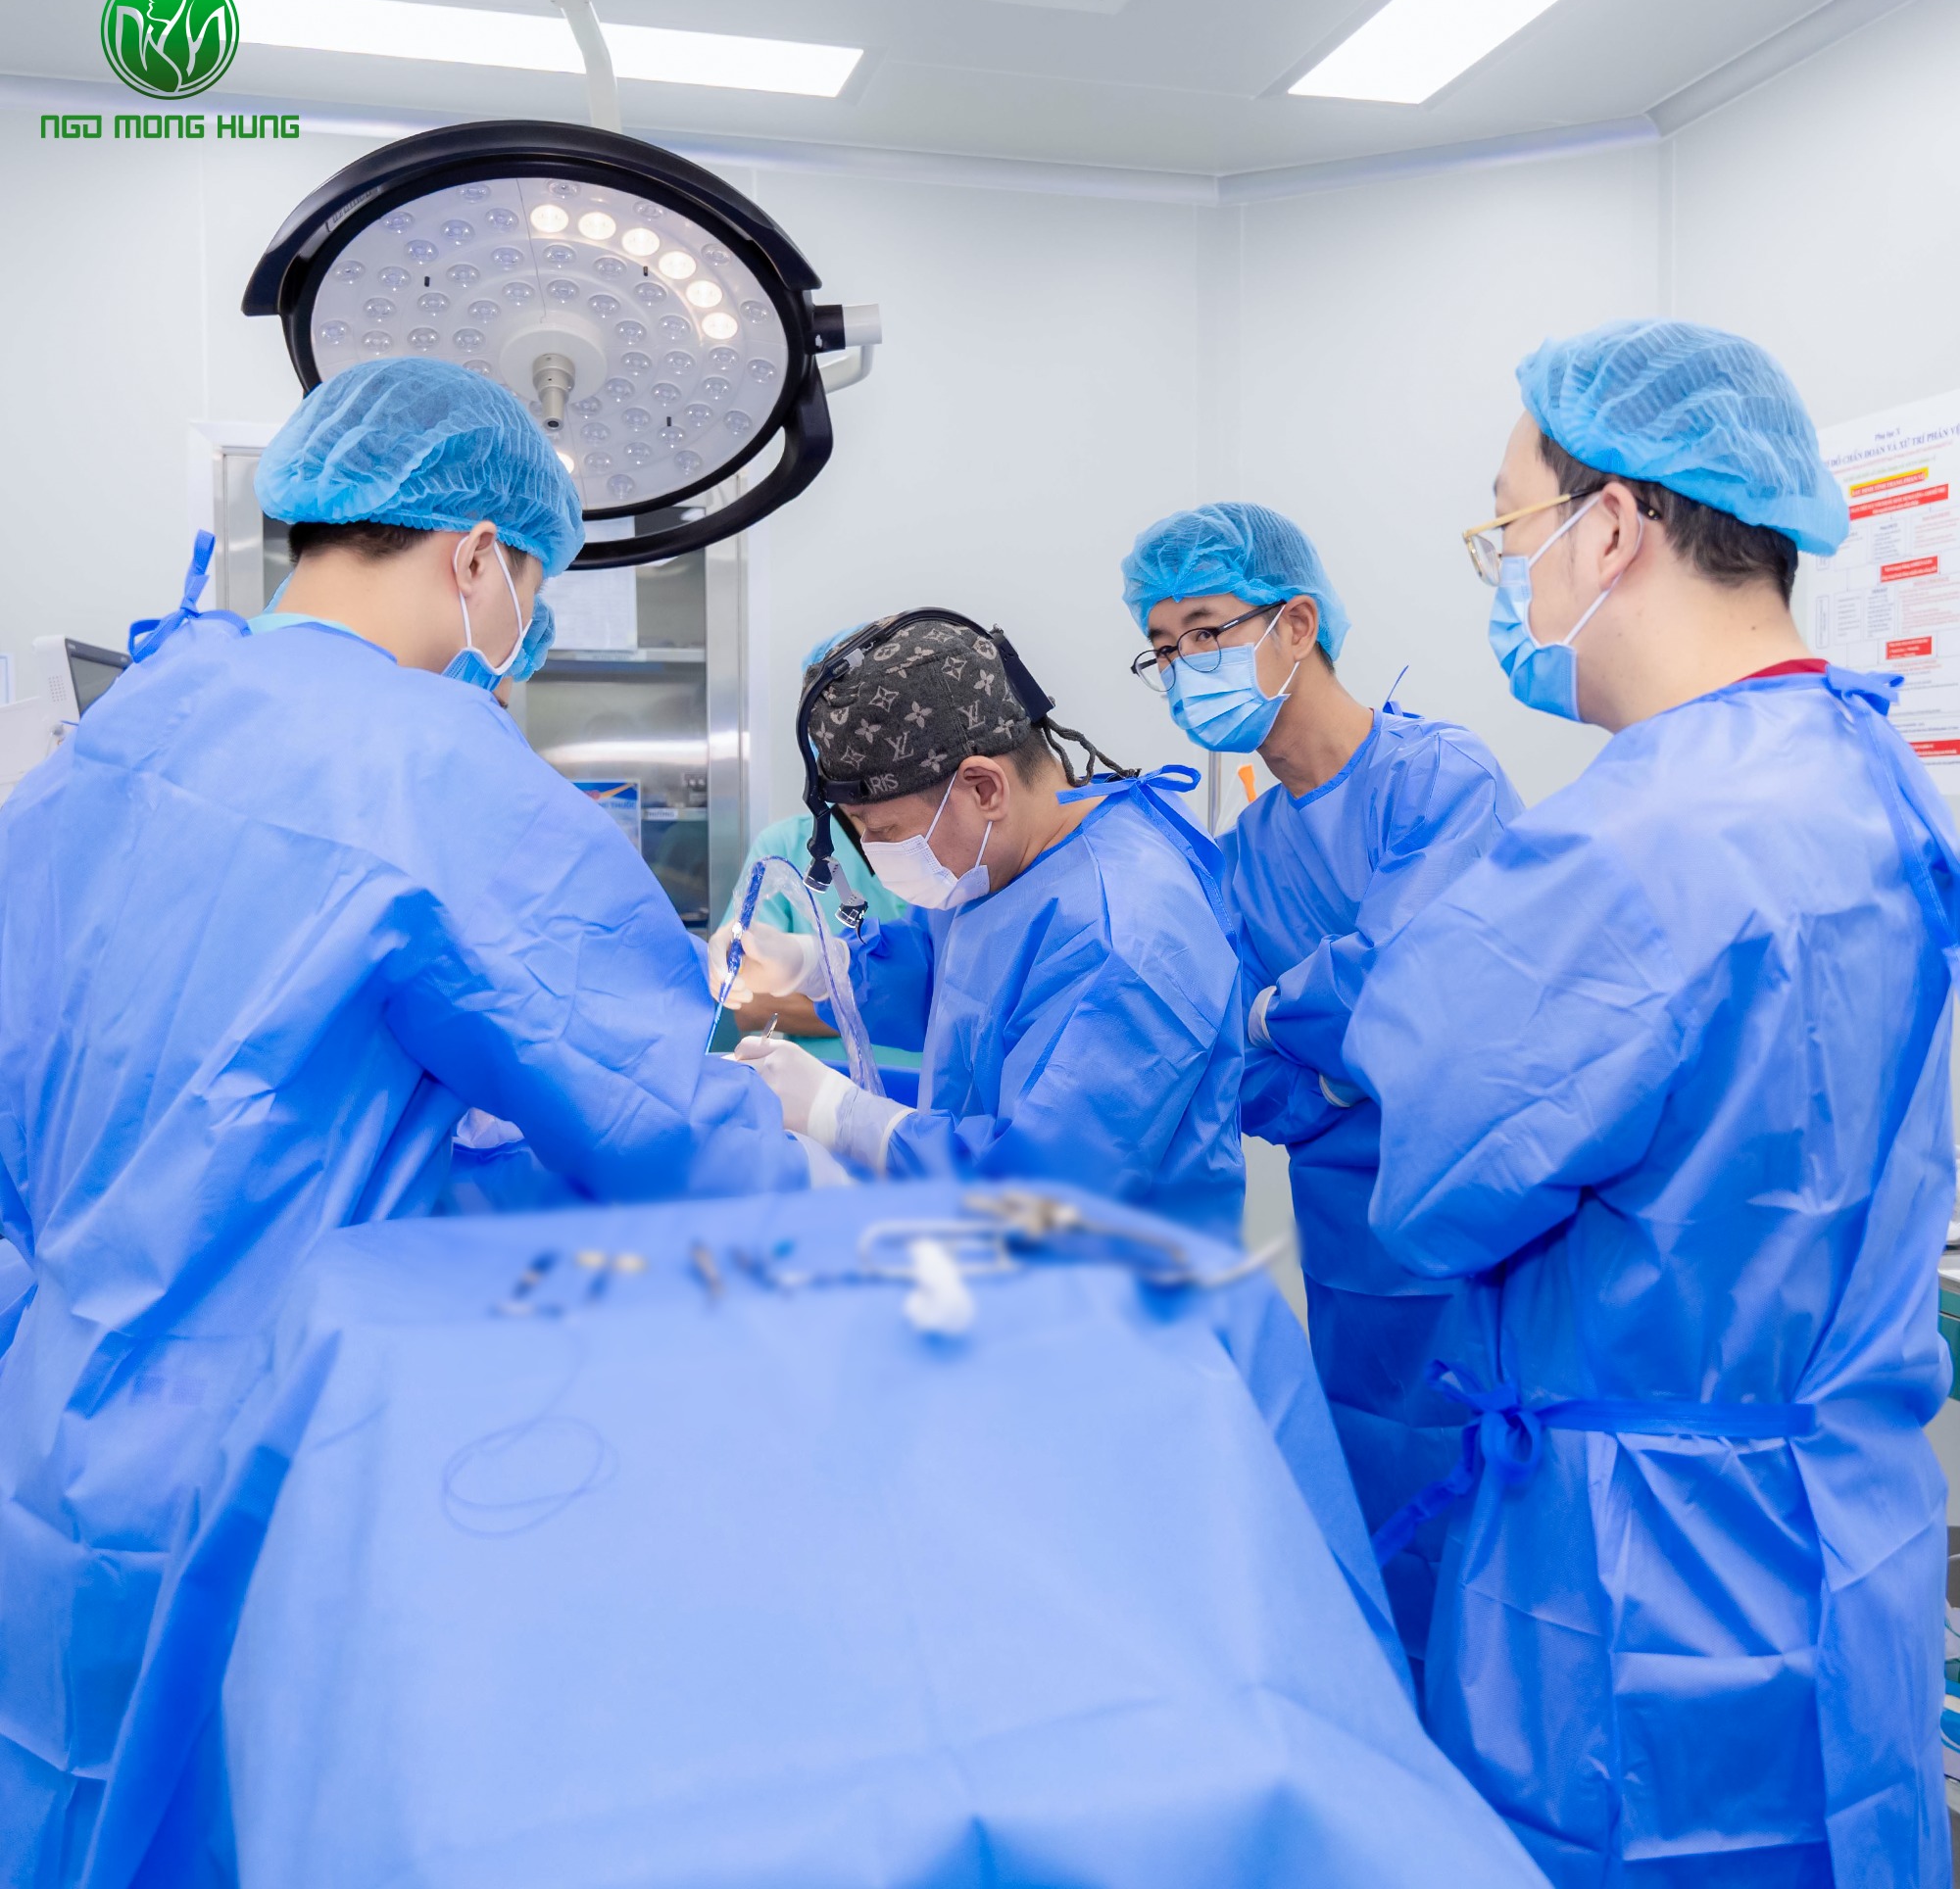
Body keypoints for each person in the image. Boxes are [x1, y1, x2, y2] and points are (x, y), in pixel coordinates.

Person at [0, 356, 805, 1871]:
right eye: (533, 591)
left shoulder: (117, 736)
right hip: (273, 1463)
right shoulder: (431, 764)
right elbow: (662, 1123)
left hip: (48, 1449)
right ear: (478, 555)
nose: (522, 635)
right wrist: (836, 1216)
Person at [1347, 319, 1954, 1886]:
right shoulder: (1878, 777)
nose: (1508, 573)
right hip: (1849, 1541)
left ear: (1611, 525)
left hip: (1644, 1599)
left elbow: (1435, 1189)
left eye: (1509, 528)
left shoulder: (1636, 838)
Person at [1120, 502, 1520, 1679]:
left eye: (1206, 631)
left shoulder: (1439, 781)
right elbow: (1234, 1067)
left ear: (1295, 623)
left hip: (1476, 1241)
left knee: (1491, 1550)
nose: (1183, 668)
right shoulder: (1244, 850)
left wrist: (1293, 1022)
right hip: (1349, 1256)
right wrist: (1336, 1069)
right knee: (1376, 1533)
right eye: (1162, 647)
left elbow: (1405, 989)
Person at [710, 613, 1248, 1234]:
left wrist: (848, 1118)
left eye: (884, 830)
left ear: (985, 788)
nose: (875, 855)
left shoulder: (1124, 931)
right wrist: (816, 965)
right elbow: (952, 980)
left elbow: (1045, 1197)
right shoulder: (1010, 858)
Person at [716, 628, 911, 1037]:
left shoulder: (952, 848)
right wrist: (806, 967)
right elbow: (752, 1005)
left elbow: (947, 991)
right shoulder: (785, 847)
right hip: (820, 1070)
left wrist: (842, 995)